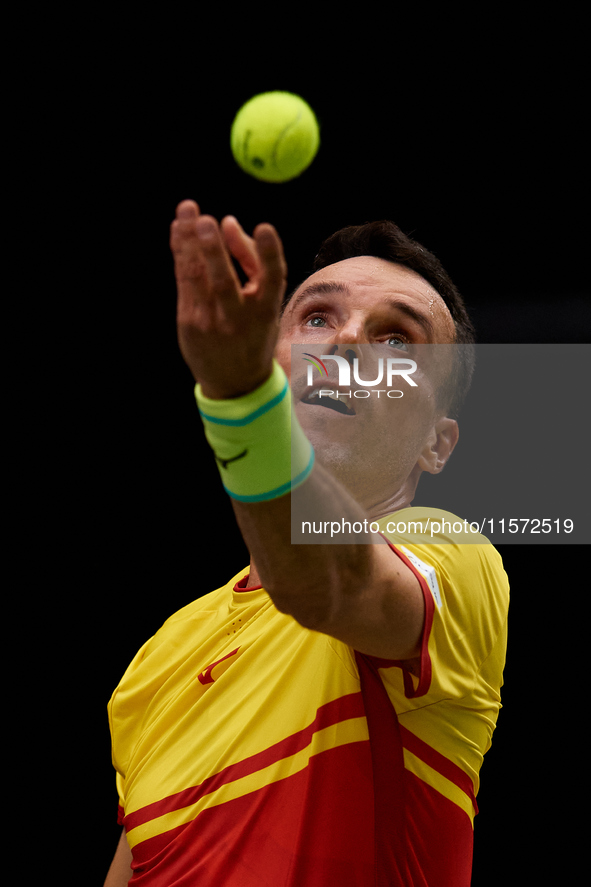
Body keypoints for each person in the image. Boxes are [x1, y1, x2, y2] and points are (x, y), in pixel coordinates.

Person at [104, 201, 509, 886]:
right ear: (275, 358)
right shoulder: (163, 651)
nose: (347, 343)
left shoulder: (455, 556)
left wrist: (238, 398)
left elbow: (328, 582)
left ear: (435, 446)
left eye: (396, 340)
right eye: (317, 317)